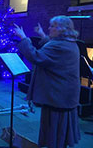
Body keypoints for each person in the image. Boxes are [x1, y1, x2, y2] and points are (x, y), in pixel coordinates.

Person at [14, 15, 81, 148]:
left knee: (55, 133)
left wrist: (23, 38)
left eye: (52, 26)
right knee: (57, 132)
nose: (49, 28)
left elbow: (36, 56)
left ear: (61, 29)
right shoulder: (67, 43)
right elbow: (51, 49)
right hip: (62, 96)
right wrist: (42, 34)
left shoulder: (60, 47)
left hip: (58, 97)